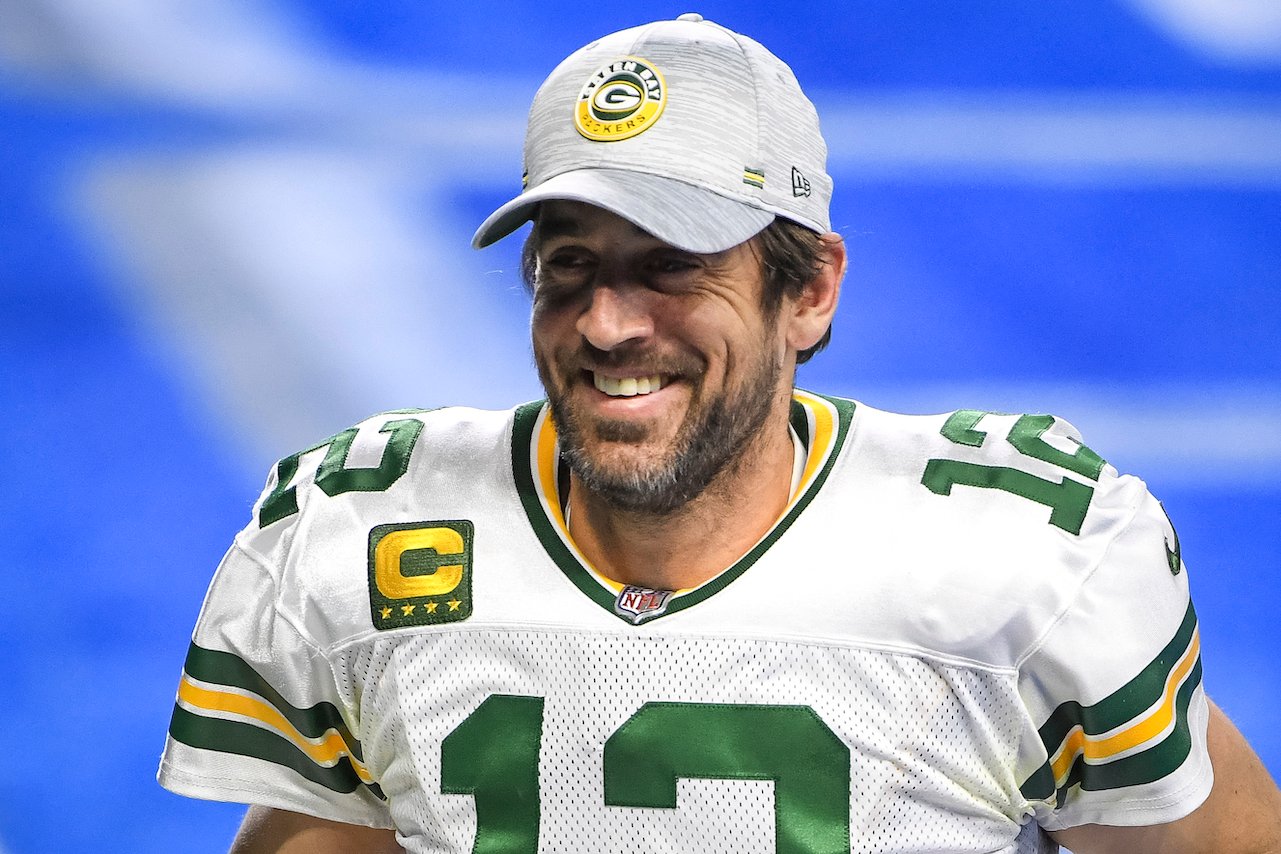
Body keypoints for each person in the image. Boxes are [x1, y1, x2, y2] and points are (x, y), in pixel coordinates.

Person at [158, 14, 1281, 854]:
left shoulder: (1019, 561)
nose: (607, 324)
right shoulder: (359, 530)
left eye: (672, 268)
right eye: (570, 265)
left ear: (810, 291)